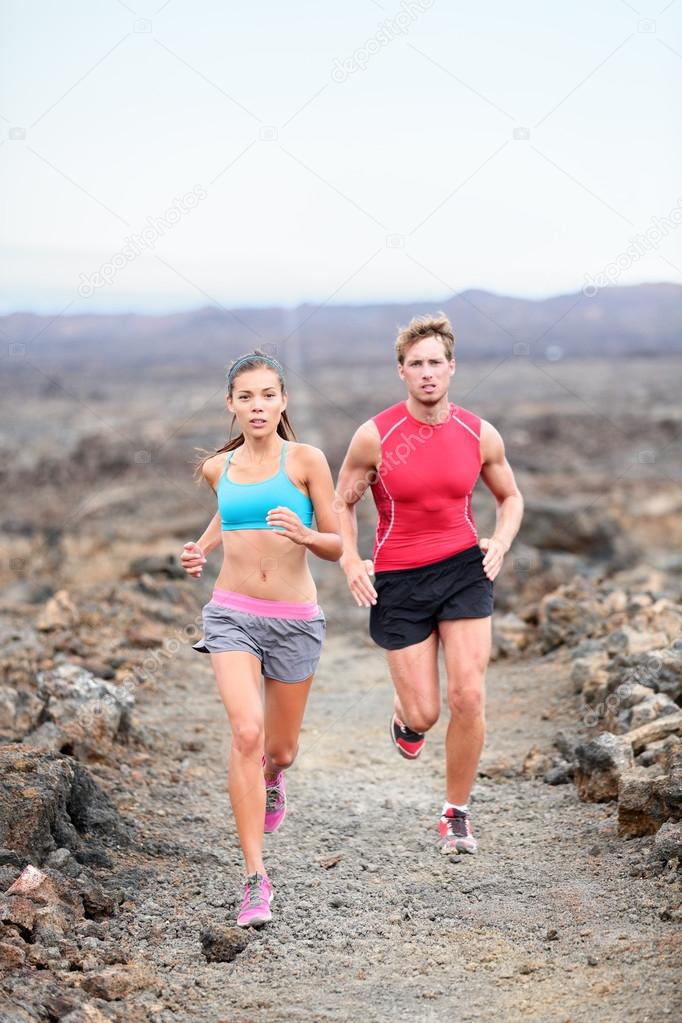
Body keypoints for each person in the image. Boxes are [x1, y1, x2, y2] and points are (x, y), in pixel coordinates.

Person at [335, 313, 523, 855]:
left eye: (434, 362)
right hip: (398, 578)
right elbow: (342, 502)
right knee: (426, 712)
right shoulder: (376, 436)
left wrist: (501, 542)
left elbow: (511, 497)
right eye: (415, 364)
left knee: (468, 694)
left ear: (451, 367)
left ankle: (455, 814)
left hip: (465, 568)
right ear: (401, 372)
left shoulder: (478, 432)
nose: (426, 372)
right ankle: (406, 718)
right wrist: (351, 558)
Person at [181, 351, 341, 926]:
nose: (257, 406)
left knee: (279, 749)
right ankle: (255, 879)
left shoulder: (307, 461)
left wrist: (306, 532)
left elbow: (338, 543)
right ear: (231, 404)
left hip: (295, 619)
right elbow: (227, 516)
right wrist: (202, 548)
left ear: (283, 401)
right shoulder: (218, 469)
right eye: (245, 397)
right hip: (231, 615)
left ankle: (273, 781)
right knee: (246, 733)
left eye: (267, 395)